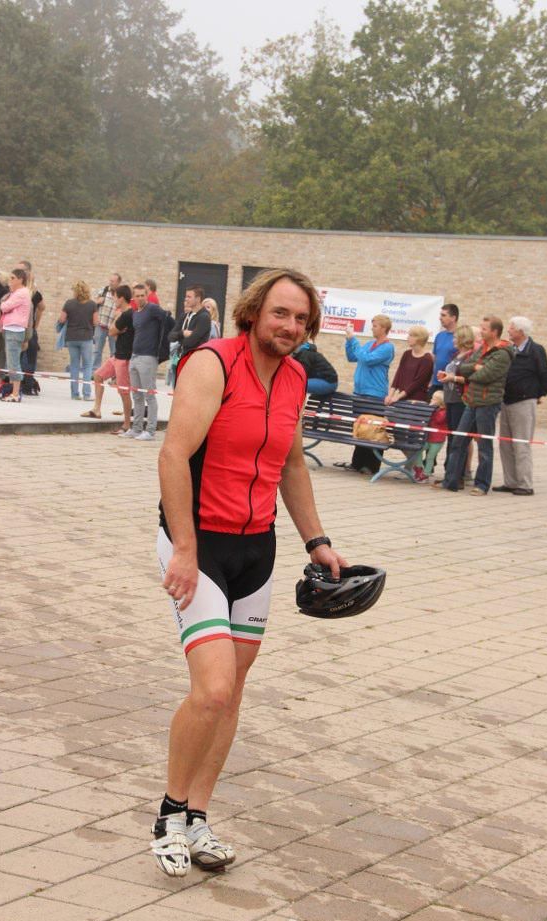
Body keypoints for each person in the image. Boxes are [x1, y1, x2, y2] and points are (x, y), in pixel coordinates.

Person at [152, 267, 347, 877]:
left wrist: (317, 542)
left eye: (301, 319)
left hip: (256, 549)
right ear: (254, 312)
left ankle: (199, 817)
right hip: (199, 544)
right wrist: (184, 550)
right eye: (280, 313)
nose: (290, 326)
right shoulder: (213, 363)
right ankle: (169, 816)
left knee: (232, 693)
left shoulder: (295, 377)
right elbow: (173, 454)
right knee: (211, 689)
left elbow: (292, 466)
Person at [435, 316, 513, 495]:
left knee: (484, 445)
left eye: (484, 329)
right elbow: (464, 367)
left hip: (488, 403)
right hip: (471, 401)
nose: (480, 331)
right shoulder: (482, 348)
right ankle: (451, 481)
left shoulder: (502, 353)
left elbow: (485, 375)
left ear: (494, 332)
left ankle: (482, 484)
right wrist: (476, 368)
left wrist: (475, 370)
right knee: (458, 441)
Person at [494, 316, 547, 497]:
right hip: (506, 401)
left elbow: (546, 377)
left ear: (520, 331)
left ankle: (525, 484)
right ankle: (511, 482)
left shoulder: (536, 350)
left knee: (521, 444)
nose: (508, 330)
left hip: (524, 402)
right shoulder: (510, 349)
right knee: (505, 445)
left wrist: (536, 394)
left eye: (511, 328)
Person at [344, 314, 395, 473]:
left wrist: (354, 340)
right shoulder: (369, 344)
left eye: (375, 326)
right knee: (361, 428)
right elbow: (353, 357)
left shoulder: (387, 347)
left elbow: (367, 359)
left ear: (384, 328)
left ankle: (372, 466)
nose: (372, 328)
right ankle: (357, 463)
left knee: (373, 430)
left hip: (375, 393)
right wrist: (349, 341)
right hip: (360, 392)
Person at [82, 284, 134, 432]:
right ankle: (96, 410)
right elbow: (114, 333)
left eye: (115, 298)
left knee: (123, 391)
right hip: (116, 355)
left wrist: (116, 324)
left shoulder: (127, 315)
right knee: (98, 376)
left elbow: (111, 331)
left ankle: (127, 424)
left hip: (124, 358)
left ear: (121, 298)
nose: (114, 300)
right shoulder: (122, 314)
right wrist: (116, 328)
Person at [127, 283, 167, 440]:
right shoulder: (135, 313)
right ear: (133, 298)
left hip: (148, 357)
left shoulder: (153, 309)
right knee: (136, 395)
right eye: (137, 296)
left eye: (142, 295)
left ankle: (150, 430)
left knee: (149, 395)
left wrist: (162, 347)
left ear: (147, 295)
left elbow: (167, 320)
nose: (140, 298)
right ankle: (136, 428)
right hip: (135, 356)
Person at [0, 268, 31, 403]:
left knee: (13, 363)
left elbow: (4, 307)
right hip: (9, 329)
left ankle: (15, 394)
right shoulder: (16, 293)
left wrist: (4, 303)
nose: (10, 281)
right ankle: (13, 391)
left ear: (20, 280)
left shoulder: (21, 293)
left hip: (15, 331)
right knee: (10, 362)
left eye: (12, 278)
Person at [442, 324, 476, 462]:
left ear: (463, 338)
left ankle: (457, 470)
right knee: (450, 435)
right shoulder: (457, 355)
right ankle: (449, 468)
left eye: (456, 337)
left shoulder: (469, 356)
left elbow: (470, 378)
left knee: (458, 437)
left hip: (459, 399)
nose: (453, 340)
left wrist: (453, 378)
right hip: (450, 398)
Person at [59, 281, 98, 401]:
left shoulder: (69, 303)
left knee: (74, 365)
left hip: (71, 338)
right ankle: (86, 394)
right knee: (87, 365)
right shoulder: (92, 304)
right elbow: (95, 322)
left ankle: (75, 394)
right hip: (86, 338)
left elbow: (61, 319)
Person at [385, 325, 433, 404]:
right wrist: (390, 395)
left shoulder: (427, 359)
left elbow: (417, 383)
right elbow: (398, 375)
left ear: (419, 338)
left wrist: (397, 397)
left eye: (411, 335)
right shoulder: (406, 354)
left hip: (416, 400)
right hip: (402, 398)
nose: (408, 338)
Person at [17, 259, 45, 375]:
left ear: (28, 272)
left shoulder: (33, 291)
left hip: (28, 328)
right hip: (16, 327)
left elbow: (42, 307)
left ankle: (27, 380)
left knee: (29, 358)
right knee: (17, 358)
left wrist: (35, 325)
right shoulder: (15, 289)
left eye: (21, 270)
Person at [169, 286, 211, 361]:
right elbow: (170, 337)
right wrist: (182, 333)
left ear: (198, 299)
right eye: (186, 296)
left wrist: (178, 338)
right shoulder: (185, 316)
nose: (186, 299)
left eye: (189, 297)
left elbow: (190, 342)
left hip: (194, 360)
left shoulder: (204, 317)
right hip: (180, 358)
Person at [413, 391, 447, 483]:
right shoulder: (433, 409)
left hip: (438, 440)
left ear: (439, 402)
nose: (431, 400)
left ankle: (426, 474)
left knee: (430, 457)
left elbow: (439, 420)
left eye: (433, 399)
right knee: (418, 450)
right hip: (429, 437)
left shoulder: (443, 411)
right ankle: (419, 467)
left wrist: (432, 409)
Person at [430, 303, 459, 396]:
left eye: (443, 315)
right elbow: (434, 359)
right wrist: (430, 380)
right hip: (435, 383)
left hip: (451, 385)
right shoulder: (439, 335)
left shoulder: (460, 337)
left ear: (453, 318)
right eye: (440, 315)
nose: (440, 318)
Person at [93, 272, 121, 369]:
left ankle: (113, 372)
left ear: (118, 282)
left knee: (114, 352)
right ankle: (95, 371)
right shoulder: (103, 290)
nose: (110, 283)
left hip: (114, 327)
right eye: (110, 280)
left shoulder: (121, 293)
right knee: (97, 350)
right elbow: (93, 304)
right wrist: (98, 301)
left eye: (113, 281)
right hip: (101, 325)